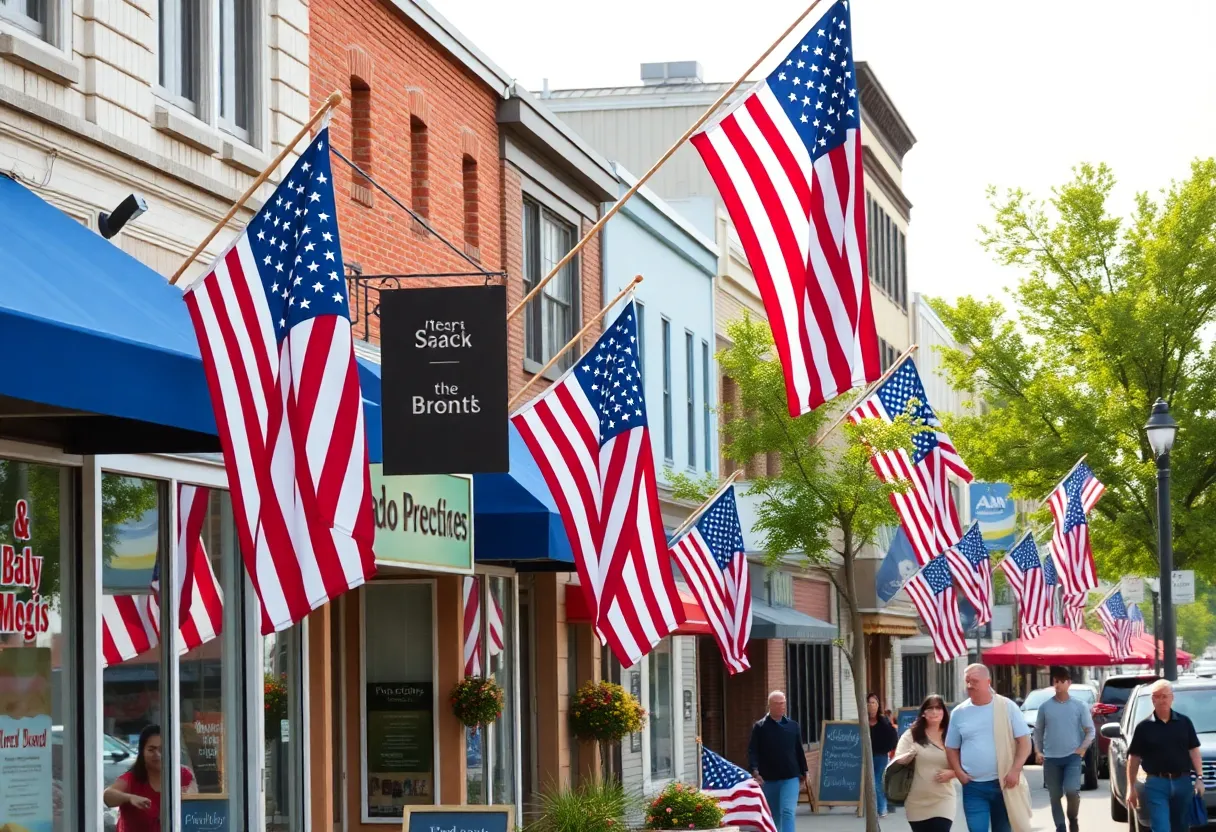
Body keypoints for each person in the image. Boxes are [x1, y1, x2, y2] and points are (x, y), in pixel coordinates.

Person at [945, 664, 1032, 832]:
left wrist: (1015, 770)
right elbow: (951, 748)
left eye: (975, 681)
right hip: (973, 786)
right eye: (967, 681)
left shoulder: (1007, 707)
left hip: (1004, 783)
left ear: (988, 682)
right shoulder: (959, 712)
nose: (970, 685)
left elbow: (1025, 742)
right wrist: (959, 772)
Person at [1126, 679, 1204, 832]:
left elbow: (1194, 750)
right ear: (1152, 699)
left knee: (1181, 827)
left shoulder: (1184, 722)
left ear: (1172, 698)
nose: (1162, 700)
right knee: (1161, 827)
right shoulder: (1143, 727)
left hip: (1183, 782)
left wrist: (1200, 778)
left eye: (1165, 696)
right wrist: (1131, 787)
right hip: (1156, 783)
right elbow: (1134, 758)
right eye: (1157, 696)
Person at [1033, 666, 1094, 832]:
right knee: (1054, 795)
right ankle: (1060, 826)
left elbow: (1090, 730)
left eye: (1061, 681)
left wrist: (1082, 748)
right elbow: (1038, 731)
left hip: (1072, 757)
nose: (1058, 684)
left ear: (1069, 683)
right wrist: (1038, 751)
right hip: (1051, 759)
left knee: (1071, 790)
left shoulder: (1079, 706)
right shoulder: (1045, 707)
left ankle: (1072, 818)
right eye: (1055, 681)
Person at [103, 725, 196, 832]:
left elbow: (194, 805)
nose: (157, 754)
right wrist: (129, 798)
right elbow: (108, 796)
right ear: (142, 752)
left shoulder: (184, 774)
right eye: (151, 750)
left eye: (162, 749)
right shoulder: (132, 778)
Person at [747, 690, 810, 832]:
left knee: (787, 811)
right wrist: (755, 771)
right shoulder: (760, 727)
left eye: (783, 703)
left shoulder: (793, 726)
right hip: (769, 778)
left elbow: (798, 749)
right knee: (773, 816)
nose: (782, 706)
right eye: (778, 704)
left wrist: (804, 771)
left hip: (791, 776)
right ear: (770, 705)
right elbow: (753, 751)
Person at [893, 694, 958, 831]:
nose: (934, 712)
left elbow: (965, 763)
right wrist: (908, 756)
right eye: (930, 708)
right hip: (916, 801)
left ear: (943, 712)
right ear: (923, 713)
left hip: (943, 799)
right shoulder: (912, 734)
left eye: (938, 708)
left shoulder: (951, 734)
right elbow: (898, 759)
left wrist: (952, 773)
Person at [869, 691, 899, 817]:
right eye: (868, 703)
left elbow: (893, 736)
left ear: (878, 705)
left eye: (873, 703)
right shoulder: (863, 721)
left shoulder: (883, 721)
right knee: (869, 782)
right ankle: (869, 807)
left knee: (877, 782)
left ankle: (882, 809)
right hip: (866, 756)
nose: (871, 705)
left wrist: (887, 748)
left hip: (880, 756)